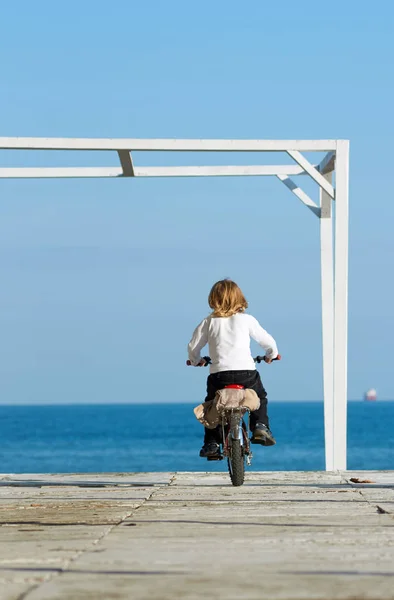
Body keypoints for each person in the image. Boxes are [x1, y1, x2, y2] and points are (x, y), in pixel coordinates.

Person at [188, 279, 279, 459]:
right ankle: (260, 426)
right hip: (246, 373)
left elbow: (193, 348)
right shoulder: (247, 320)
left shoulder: (208, 322)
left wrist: (196, 360)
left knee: (212, 405)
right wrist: (271, 355)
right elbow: (268, 342)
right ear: (240, 298)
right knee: (260, 397)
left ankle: (212, 443)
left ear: (213, 299)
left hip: (219, 375)